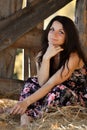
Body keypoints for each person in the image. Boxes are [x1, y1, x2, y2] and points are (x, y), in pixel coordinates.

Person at [11, 16, 87, 126]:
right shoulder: (44, 54)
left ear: (68, 37)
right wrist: (46, 58)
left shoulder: (73, 57)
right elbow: (42, 83)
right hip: (51, 92)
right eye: (52, 29)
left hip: (75, 99)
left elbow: (52, 83)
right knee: (31, 82)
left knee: (58, 90)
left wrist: (26, 102)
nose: (54, 34)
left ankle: (29, 115)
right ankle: (24, 115)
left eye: (61, 32)